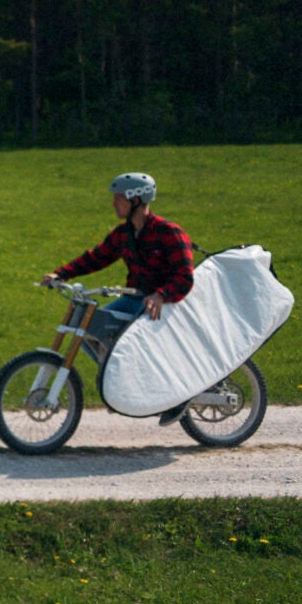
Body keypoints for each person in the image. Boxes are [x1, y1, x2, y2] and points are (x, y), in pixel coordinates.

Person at [46, 171, 197, 420]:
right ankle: (118, 381)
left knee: (130, 341)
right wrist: (60, 274)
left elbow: (185, 276)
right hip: (135, 299)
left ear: (135, 200)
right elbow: (97, 257)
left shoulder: (169, 232)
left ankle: (173, 397)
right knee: (86, 325)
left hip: (164, 304)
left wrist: (161, 295)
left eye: (118, 199)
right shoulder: (123, 234)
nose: (114, 203)